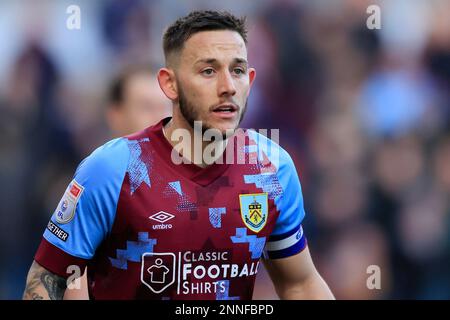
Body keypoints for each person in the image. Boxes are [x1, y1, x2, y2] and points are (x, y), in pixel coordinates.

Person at [23, 10, 334, 300]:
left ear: (250, 81)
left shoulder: (270, 169)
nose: (227, 86)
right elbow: (46, 281)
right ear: (169, 84)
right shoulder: (112, 169)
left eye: (237, 70)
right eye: (208, 71)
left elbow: (300, 283)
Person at [62, 66, 172, 300]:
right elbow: (71, 278)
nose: (160, 117)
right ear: (116, 115)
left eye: (165, 106)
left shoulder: (192, 188)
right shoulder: (96, 184)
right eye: (146, 107)